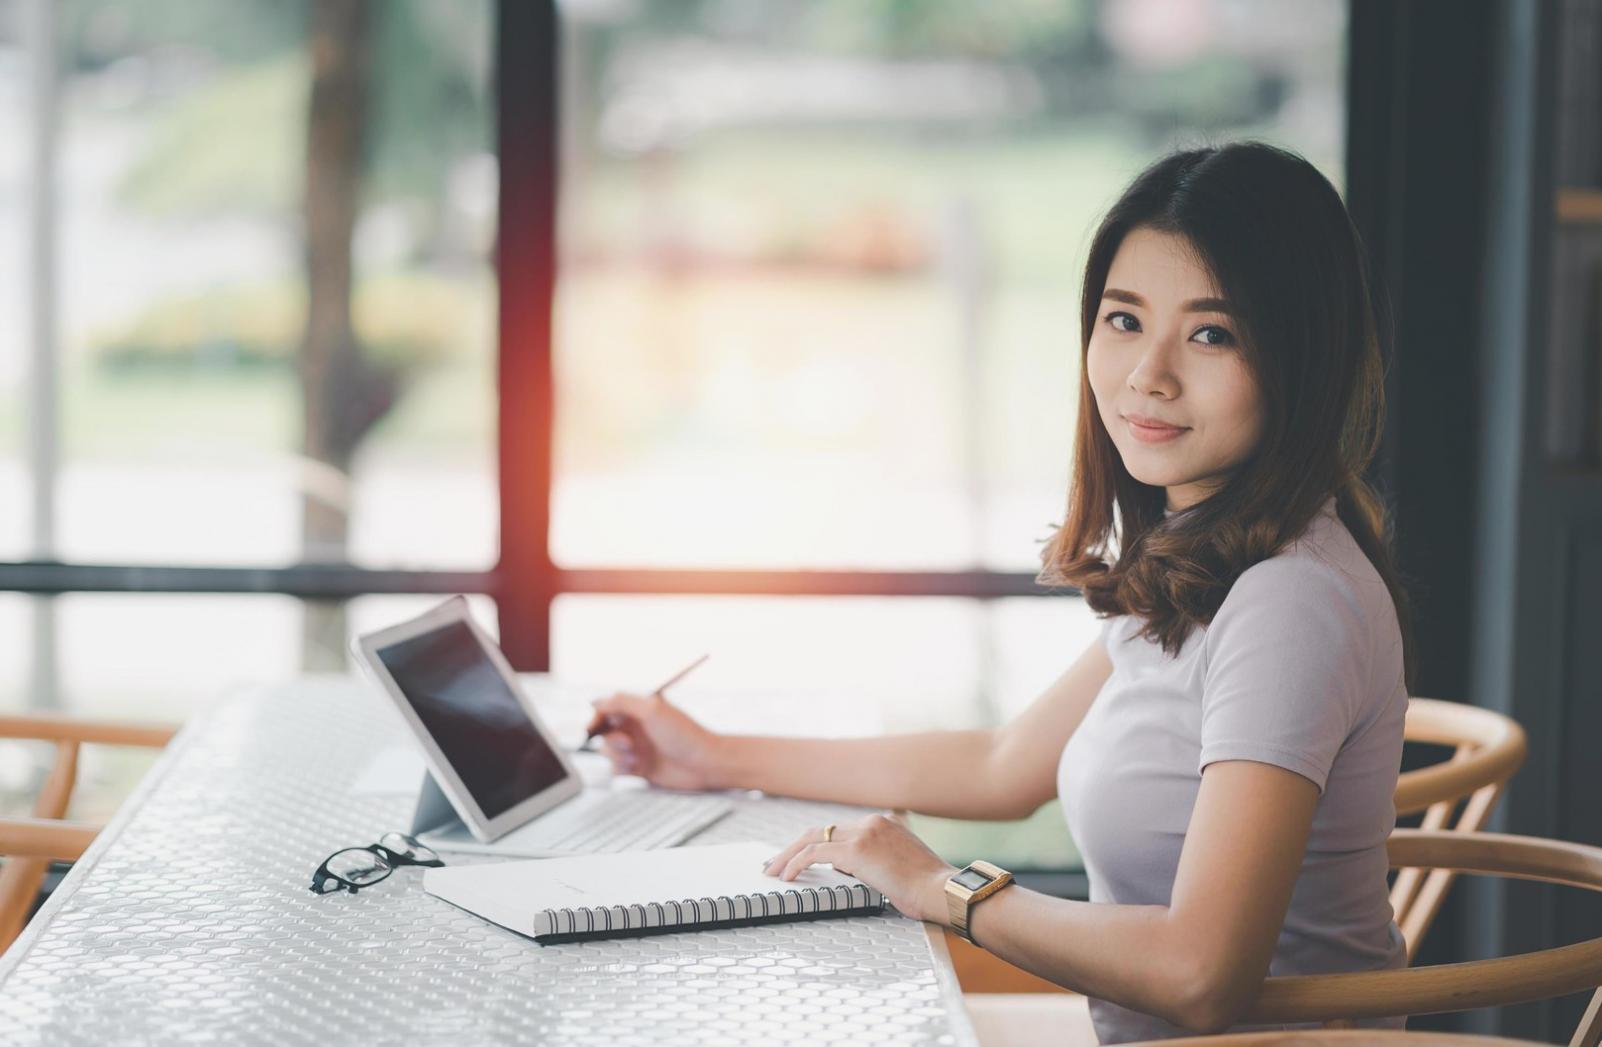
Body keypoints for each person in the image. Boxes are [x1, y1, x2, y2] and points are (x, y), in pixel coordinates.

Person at [584, 140, 1416, 1042]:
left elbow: (1199, 973)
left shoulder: (1290, 599)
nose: (1148, 374)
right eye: (1124, 319)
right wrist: (711, 756)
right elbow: (1003, 763)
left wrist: (941, 887)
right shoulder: (1209, 557)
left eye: (1212, 333)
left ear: (1303, 358)